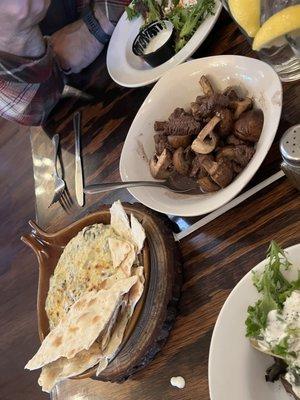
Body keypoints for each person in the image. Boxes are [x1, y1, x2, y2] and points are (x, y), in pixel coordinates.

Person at [0, 0, 129, 126]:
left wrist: (97, 23)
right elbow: (32, 111)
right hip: (96, 92)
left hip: (132, 25)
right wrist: (14, 38)